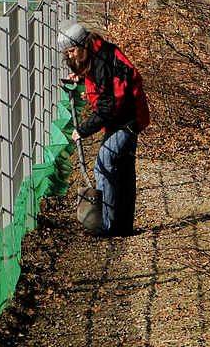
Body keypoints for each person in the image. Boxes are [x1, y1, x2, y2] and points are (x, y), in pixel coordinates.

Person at [58, 21, 150, 236]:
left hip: (126, 120)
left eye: (71, 51)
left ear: (82, 45)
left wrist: (82, 129)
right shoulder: (100, 54)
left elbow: (108, 107)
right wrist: (82, 79)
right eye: (66, 53)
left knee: (104, 165)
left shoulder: (102, 62)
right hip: (128, 117)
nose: (69, 56)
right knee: (124, 171)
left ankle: (108, 225)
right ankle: (123, 226)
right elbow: (104, 86)